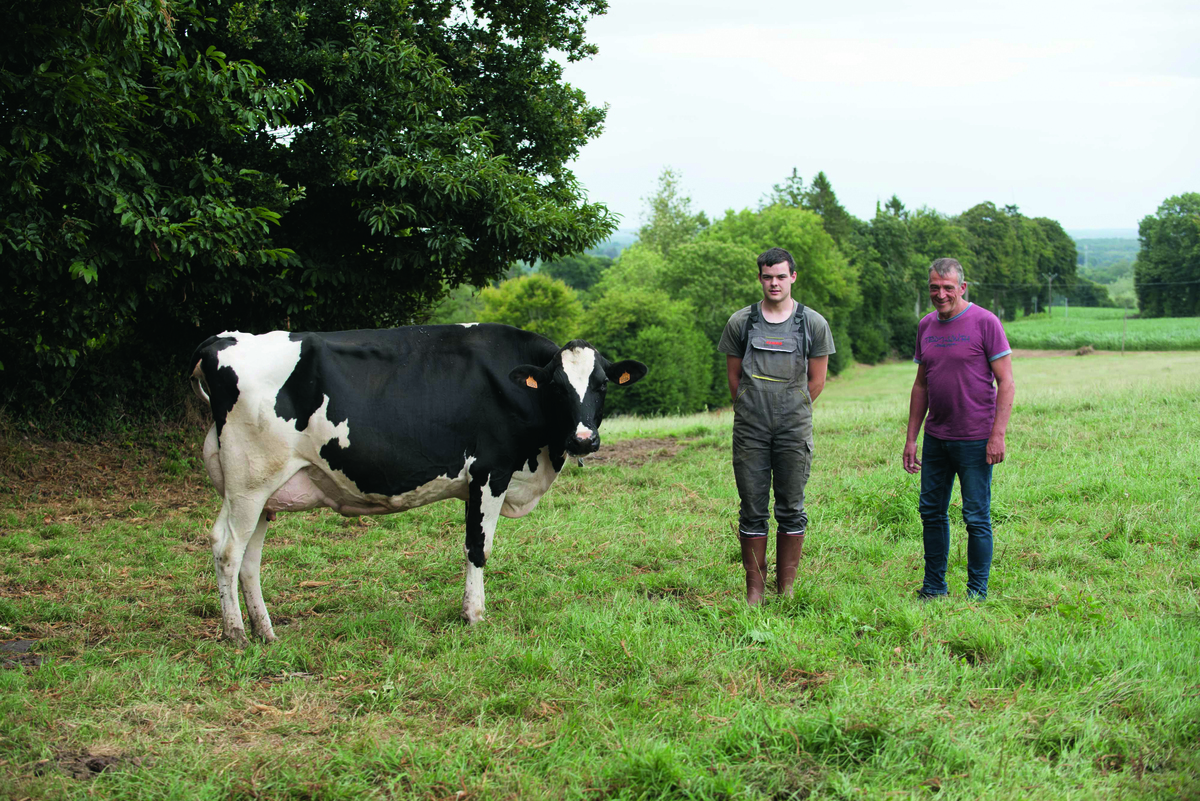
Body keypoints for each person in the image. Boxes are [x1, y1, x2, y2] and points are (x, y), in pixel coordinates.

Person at [718, 247, 836, 605]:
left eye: (781, 276)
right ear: (760, 278)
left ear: (793, 277)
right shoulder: (741, 322)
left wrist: (789, 410)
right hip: (750, 430)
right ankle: (754, 591)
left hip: (793, 429)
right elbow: (734, 378)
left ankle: (786, 590)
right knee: (752, 506)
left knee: (791, 506)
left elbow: (817, 381)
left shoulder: (812, 323)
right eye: (768, 276)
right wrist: (755, 410)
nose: (774, 283)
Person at [903, 258, 1015, 600]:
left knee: (976, 516)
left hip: (976, 438)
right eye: (934, 287)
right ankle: (934, 587)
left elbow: (1006, 382)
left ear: (962, 288)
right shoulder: (926, 326)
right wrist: (911, 438)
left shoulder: (985, 322)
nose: (941, 294)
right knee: (931, 513)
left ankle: (976, 592)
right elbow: (921, 385)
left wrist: (997, 434)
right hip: (937, 438)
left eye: (948, 287)